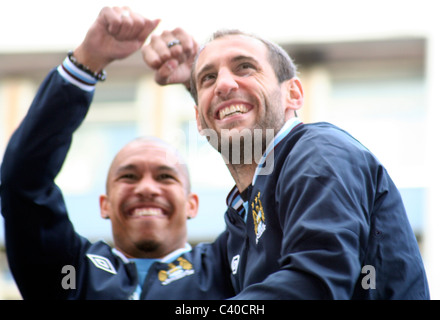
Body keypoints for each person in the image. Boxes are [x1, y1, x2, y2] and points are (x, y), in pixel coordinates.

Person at [143, 29, 430, 299]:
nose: (224, 84)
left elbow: (315, 284)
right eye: (209, 78)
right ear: (197, 119)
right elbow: (158, 289)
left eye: (245, 67)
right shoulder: (241, 217)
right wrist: (95, 67)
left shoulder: (318, 152)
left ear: (293, 94)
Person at [0, 7, 233, 300]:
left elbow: (270, 180)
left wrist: (202, 82)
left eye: (165, 177)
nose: (147, 188)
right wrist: (86, 62)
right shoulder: (71, 273)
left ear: (192, 204)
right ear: (105, 205)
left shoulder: (228, 270)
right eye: (129, 176)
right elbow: (23, 182)